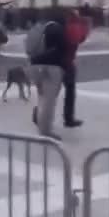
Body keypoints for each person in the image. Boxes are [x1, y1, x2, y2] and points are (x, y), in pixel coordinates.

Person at [24, 9, 67, 141]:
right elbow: (59, 50)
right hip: (51, 67)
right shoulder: (57, 29)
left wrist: (35, 60)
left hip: (34, 66)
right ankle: (45, 130)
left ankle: (40, 121)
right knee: (49, 101)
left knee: (42, 96)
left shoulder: (37, 28)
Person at [60, 9, 88, 128]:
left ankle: (38, 114)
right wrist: (84, 25)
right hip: (67, 62)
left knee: (49, 93)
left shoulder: (59, 26)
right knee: (70, 91)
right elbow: (80, 39)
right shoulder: (73, 27)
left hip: (54, 61)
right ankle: (68, 118)